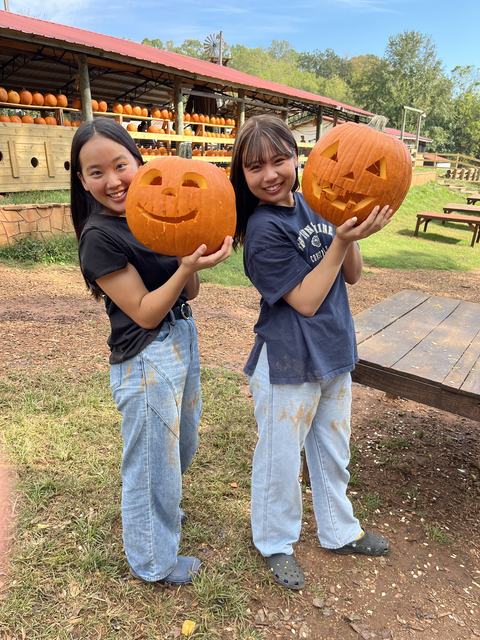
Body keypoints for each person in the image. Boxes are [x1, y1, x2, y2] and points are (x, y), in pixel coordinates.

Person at [230, 114, 391, 591]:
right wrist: (339, 240)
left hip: (332, 349)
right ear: (242, 175)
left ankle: (339, 531)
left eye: (280, 159)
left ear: (297, 159)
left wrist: (349, 229)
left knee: (332, 451)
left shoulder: (317, 202)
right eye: (256, 166)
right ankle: (275, 543)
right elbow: (304, 300)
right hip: (286, 362)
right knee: (280, 460)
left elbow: (352, 276)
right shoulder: (261, 231)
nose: (271, 173)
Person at [70, 117, 232, 585]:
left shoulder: (154, 214)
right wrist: (183, 269)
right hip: (145, 357)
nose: (113, 180)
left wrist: (192, 261)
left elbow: (190, 292)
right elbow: (143, 311)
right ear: (81, 180)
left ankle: (162, 517)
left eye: (121, 165)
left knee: (181, 447)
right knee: (149, 466)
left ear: (138, 162)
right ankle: (153, 561)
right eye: (96, 172)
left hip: (182, 337)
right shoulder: (99, 237)